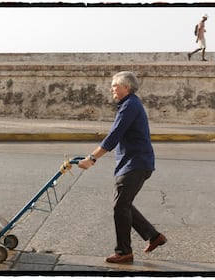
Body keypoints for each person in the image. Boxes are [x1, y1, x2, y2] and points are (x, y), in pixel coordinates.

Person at [77, 71, 167, 264]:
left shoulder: (129, 106)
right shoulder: (130, 104)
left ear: (126, 87)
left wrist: (92, 158)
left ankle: (124, 251)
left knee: (120, 205)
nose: (112, 89)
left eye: (115, 86)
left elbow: (114, 136)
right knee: (123, 204)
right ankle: (153, 236)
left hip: (135, 163)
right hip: (135, 162)